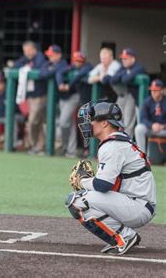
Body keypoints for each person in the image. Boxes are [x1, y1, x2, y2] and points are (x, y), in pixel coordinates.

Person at [66, 101, 156, 255]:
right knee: (85, 197)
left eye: (92, 119)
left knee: (77, 200)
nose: (89, 123)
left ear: (105, 123)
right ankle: (125, 235)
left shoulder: (112, 146)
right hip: (136, 202)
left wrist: (81, 181)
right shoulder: (118, 141)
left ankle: (125, 237)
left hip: (137, 206)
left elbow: (103, 186)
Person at [56, 51, 93, 157]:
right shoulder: (71, 67)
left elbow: (79, 76)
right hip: (78, 99)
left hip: (90, 100)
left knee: (85, 124)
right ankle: (70, 150)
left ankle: (86, 150)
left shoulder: (88, 67)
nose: (78, 63)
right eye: (76, 60)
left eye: (80, 61)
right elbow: (59, 73)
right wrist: (60, 84)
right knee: (72, 123)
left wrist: (69, 86)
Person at [13, 41, 47, 155]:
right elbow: (16, 66)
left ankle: (36, 145)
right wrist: (25, 65)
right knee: (37, 121)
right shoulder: (26, 58)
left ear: (34, 49)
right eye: (25, 51)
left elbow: (39, 68)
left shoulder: (40, 57)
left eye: (28, 50)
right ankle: (38, 147)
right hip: (30, 96)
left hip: (41, 95)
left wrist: (28, 67)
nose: (27, 53)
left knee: (34, 121)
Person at [110, 48, 147, 137]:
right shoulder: (124, 68)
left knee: (140, 127)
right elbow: (113, 79)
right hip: (132, 99)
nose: (123, 60)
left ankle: (139, 149)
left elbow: (125, 79)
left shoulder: (139, 67)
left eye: (126, 58)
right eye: (123, 58)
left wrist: (124, 74)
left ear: (132, 59)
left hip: (142, 103)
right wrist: (125, 73)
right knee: (122, 121)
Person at [134, 79, 166, 152]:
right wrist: (152, 125)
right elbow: (143, 119)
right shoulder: (147, 101)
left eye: (156, 90)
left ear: (161, 91)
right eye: (152, 90)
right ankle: (142, 155)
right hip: (151, 129)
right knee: (139, 128)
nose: (153, 92)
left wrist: (163, 126)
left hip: (164, 129)